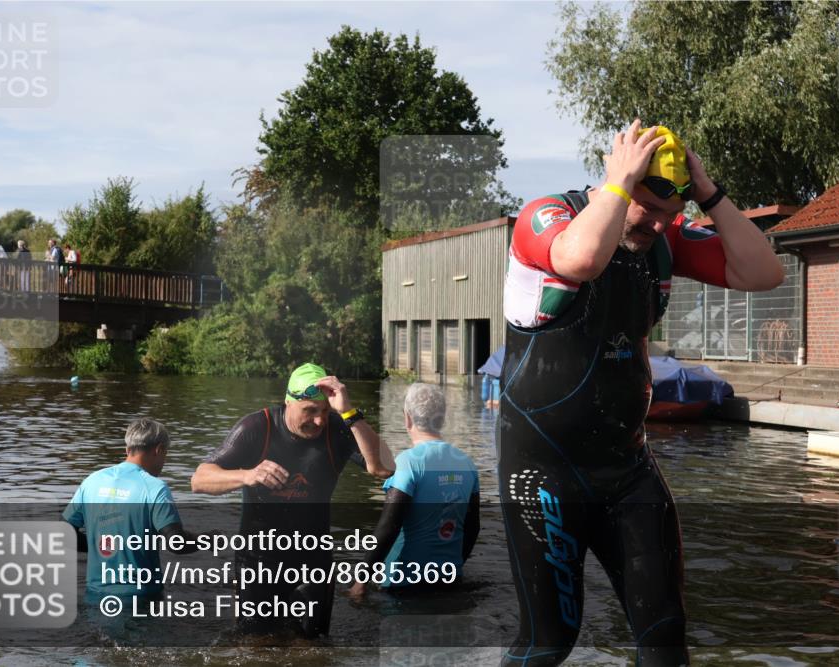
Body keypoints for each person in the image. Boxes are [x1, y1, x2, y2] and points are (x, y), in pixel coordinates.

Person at [497, 121, 784, 667]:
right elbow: (580, 261)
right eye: (645, 206)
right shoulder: (546, 216)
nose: (656, 223)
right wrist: (621, 182)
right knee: (550, 641)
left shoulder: (662, 241)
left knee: (665, 633)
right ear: (618, 181)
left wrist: (710, 195)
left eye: (668, 214)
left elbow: (763, 272)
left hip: (628, 469)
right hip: (543, 472)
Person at [191, 362, 394, 638]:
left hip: (313, 559)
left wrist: (349, 413)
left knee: (312, 645)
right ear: (288, 402)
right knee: (254, 645)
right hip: (257, 559)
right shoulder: (257, 427)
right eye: (310, 411)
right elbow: (199, 480)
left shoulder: (338, 428)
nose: (319, 421)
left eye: (324, 411)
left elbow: (384, 467)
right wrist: (247, 475)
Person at [348, 383, 479, 599]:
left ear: (407, 418)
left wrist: (360, 580)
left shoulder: (407, 464)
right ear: (443, 418)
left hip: (403, 583)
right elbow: (473, 527)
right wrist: (455, 567)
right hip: (449, 581)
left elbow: (388, 528)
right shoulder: (467, 464)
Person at [63, 418, 204, 601]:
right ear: (158, 449)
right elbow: (177, 543)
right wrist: (207, 539)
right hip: (141, 598)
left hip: (95, 595)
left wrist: (101, 546)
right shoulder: (154, 488)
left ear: (128, 449)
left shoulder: (92, 481)